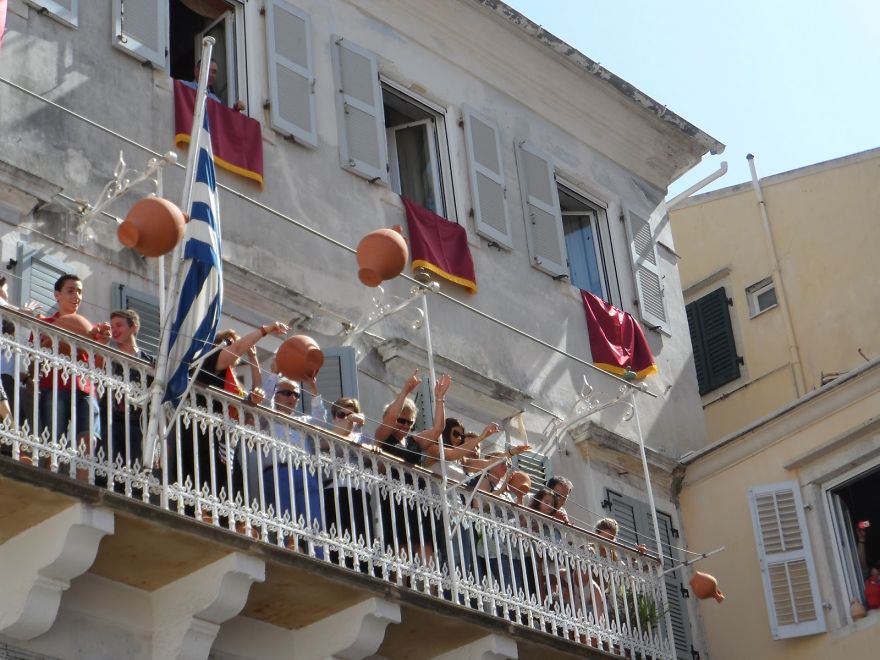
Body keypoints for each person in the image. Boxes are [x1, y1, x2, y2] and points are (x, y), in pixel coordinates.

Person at [174, 321, 287, 521]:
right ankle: (203, 511)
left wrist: (253, 357)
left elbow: (255, 394)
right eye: (236, 347)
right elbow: (236, 349)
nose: (239, 353)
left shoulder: (231, 380)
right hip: (201, 430)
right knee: (205, 472)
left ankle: (231, 519)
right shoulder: (208, 361)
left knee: (231, 479)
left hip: (223, 437)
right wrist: (264, 330)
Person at [374, 369, 451, 567]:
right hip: (393, 496)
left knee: (426, 549)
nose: (405, 425)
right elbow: (390, 420)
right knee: (401, 548)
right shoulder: (383, 436)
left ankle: (429, 593)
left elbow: (437, 431)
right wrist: (405, 391)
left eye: (410, 422)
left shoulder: (414, 440)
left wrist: (440, 399)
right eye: (402, 420)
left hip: (416, 499)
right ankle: (399, 589)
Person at [34, 275, 110, 466]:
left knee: (88, 438)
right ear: (57, 295)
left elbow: (98, 368)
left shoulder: (91, 329)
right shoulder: (44, 322)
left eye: (79, 291)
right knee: (53, 436)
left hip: (85, 388)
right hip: (54, 385)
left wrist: (103, 344)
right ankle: (49, 477)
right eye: (71, 291)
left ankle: (84, 484)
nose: (76, 295)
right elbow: (36, 359)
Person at [262, 375, 325, 556]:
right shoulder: (268, 418)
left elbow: (320, 421)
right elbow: (263, 402)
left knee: (312, 516)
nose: (292, 398)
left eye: (296, 395)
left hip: (305, 471)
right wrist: (273, 374)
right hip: (278, 471)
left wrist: (313, 389)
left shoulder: (302, 421)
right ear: (276, 394)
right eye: (287, 393)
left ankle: (316, 554)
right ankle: (291, 546)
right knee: (285, 512)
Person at [322, 396, 375, 569]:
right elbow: (321, 445)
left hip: (360, 489)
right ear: (334, 417)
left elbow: (374, 462)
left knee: (361, 531)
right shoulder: (328, 435)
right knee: (338, 531)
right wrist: (343, 431)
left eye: (350, 415)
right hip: (335, 488)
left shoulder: (363, 439)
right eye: (341, 414)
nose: (346, 418)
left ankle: (363, 568)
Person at [99, 309, 152, 482]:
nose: (114, 330)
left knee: (134, 472)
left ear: (134, 328)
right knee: (108, 465)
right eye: (112, 326)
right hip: (110, 420)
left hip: (137, 424)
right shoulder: (109, 356)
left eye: (119, 325)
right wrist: (101, 343)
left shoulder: (150, 362)